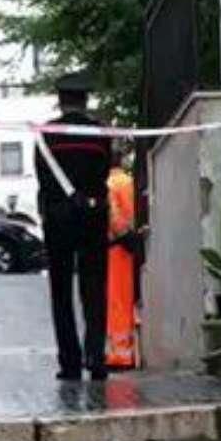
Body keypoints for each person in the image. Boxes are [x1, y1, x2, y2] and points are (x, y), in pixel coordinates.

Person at [35, 72, 115, 380]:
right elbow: (105, 171)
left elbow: (42, 177)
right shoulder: (100, 134)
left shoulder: (46, 134)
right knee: (95, 287)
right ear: (86, 100)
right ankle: (96, 357)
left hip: (58, 217)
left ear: (60, 100)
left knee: (61, 290)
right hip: (93, 215)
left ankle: (69, 362)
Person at [104, 145, 142, 370]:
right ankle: (130, 350)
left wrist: (122, 235)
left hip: (116, 248)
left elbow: (113, 217)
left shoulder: (108, 184)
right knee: (129, 299)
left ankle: (119, 355)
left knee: (116, 302)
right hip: (132, 246)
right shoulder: (130, 182)